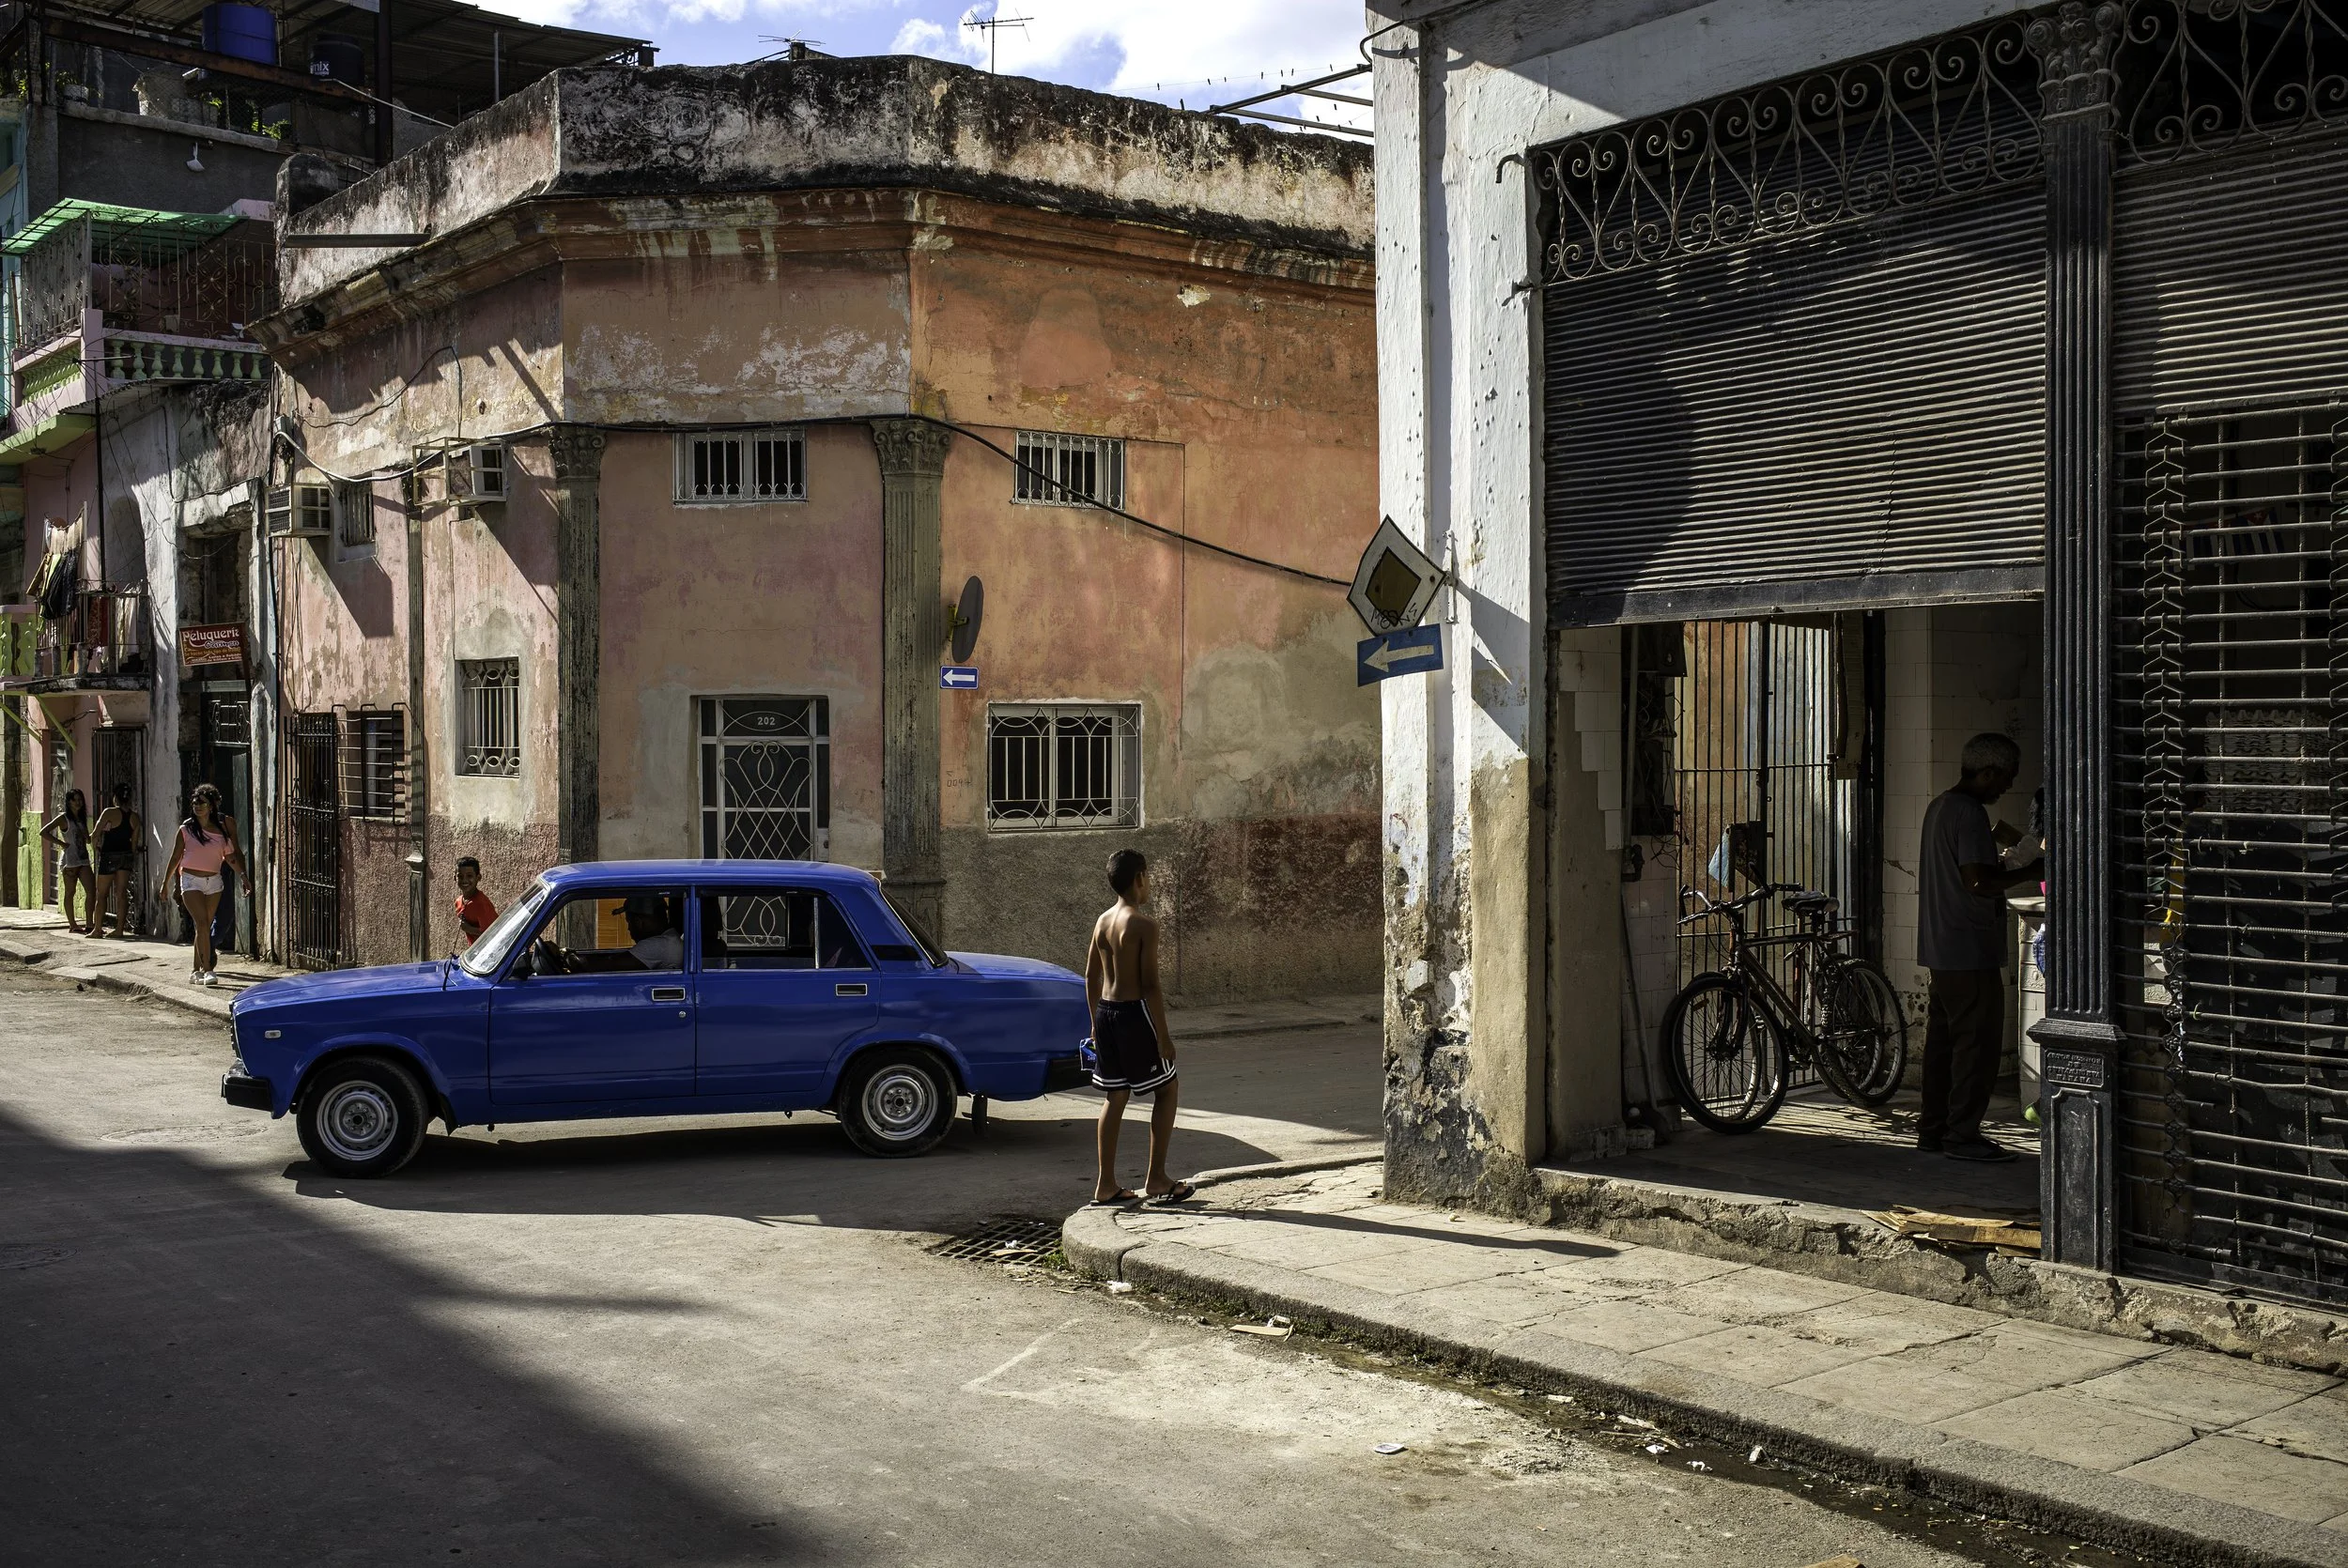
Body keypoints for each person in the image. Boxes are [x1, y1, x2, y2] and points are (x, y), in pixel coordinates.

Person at [1916, 733, 2043, 1162]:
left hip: (1942, 948)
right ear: (1987, 772)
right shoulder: (1968, 813)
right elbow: (1978, 881)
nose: (2005, 788)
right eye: (2004, 779)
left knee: (1944, 1047)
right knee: (1977, 1048)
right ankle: (1962, 1135)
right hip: (1969, 949)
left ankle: (1933, 1130)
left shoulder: (1940, 807)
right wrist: (2032, 869)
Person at [1083, 849, 1191, 1207]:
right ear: (1139, 878)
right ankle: (1157, 1179)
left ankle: (1106, 1185)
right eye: (1148, 876)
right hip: (1133, 1015)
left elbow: (1091, 975)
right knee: (1168, 1089)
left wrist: (1095, 1022)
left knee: (1116, 1096)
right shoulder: (1144, 925)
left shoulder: (1103, 921)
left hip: (1107, 1013)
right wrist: (1163, 1036)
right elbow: (1150, 986)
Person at [158, 783, 251, 987]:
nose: (198, 807)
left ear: (211, 807)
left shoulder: (221, 831)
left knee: (205, 926)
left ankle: (195, 970)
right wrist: (166, 883)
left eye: (203, 804)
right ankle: (208, 970)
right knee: (201, 923)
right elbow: (175, 858)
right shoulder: (186, 829)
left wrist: (243, 876)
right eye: (195, 804)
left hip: (214, 882)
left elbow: (231, 857)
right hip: (191, 880)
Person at [89, 783, 142, 939]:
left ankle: (97, 929)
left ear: (115, 798)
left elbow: (95, 834)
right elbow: (134, 842)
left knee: (102, 894)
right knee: (122, 894)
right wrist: (130, 856)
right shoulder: (134, 817)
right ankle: (119, 929)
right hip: (125, 857)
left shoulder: (109, 812)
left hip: (109, 856)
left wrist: (95, 848)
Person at [39, 789, 95, 934]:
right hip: (70, 861)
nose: (78, 803)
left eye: (80, 800)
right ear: (69, 802)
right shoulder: (63, 818)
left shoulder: (81, 818)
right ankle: (73, 924)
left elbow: (86, 839)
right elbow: (43, 832)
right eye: (75, 800)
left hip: (83, 859)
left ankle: (90, 924)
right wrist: (61, 843)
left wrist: (90, 837)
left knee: (91, 891)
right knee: (70, 892)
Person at [454, 856, 498, 946]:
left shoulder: (481, 904)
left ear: (478, 877)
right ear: (455, 878)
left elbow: (493, 933)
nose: (464, 880)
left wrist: (469, 929)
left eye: (469, 876)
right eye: (460, 876)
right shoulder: (459, 902)